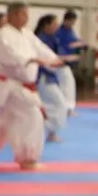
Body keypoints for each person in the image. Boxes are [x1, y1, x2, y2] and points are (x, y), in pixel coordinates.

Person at [0, 2, 66, 170]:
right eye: (23, 14)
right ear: (12, 15)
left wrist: (54, 60)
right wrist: (33, 60)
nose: (27, 18)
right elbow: (11, 57)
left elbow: (41, 49)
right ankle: (27, 159)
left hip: (23, 86)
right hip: (12, 85)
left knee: (4, 122)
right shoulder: (3, 35)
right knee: (33, 116)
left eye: (27, 14)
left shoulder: (27, 34)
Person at [35, 14, 70, 143]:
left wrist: (63, 59)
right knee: (60, 104)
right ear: (46, 25)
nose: (56, 26)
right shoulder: (40, 40)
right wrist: (60, 61)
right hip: (44, 77)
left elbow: (56, 56)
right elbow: (45, 60)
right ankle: (49, 130)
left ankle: (49, 131)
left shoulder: (52, 38)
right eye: (54, 24)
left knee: (48, 105)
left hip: (49, 76)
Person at [53, 9, 87, 111]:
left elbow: (74, 41)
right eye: (71, 22)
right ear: (66, 20)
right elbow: (63, 46)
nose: (72, 24)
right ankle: (67, 106)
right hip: (59, 60)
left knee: (67, 83)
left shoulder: (71, 31)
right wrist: (74, 45)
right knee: (66, 83)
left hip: (68, 61)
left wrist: (81, 43)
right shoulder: (58, 32)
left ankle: (67, 106)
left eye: (74, 22)